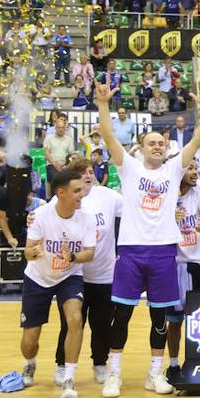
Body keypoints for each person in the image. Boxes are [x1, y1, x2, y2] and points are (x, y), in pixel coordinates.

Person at [94, 80, 200, 398]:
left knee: (159, 317)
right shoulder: (129, 168)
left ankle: (154, 373)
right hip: (131, 251)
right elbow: (107, 136)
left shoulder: (174, 170)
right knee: (123, 315)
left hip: (163, 253)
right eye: (152, 143)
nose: (157, 146)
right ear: (142, 147)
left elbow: (198, 141)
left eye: (161, 143)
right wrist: (103, 105)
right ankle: (114, 374)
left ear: (167, 148)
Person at [20, 168, 95, 398]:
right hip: (38, 277)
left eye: (82, 190)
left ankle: (69, 378)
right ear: (61, 193)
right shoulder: (41, 215)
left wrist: (72, 257)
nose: (81, 195)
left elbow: (89, 253)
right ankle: (30, 364)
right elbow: (27, 253)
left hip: (69, 276)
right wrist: (33, 252)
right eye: (76, 191)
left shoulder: (87, 218)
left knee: (75, 319)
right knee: (30, 341)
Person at [53, 158, 121, 386]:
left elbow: (136, 207)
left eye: (90, 171)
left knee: (101, 324)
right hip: (75, 273)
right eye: (81, 173)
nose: (87, 176)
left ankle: (100, 363)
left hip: (104, 273)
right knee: (71, 323)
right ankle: (62, 365)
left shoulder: (108, 196)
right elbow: (47, 214)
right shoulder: (67, 199)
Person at [164, 163, 200, 385]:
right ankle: (174, 365)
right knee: (174, 321)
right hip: (173, 265)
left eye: (196, 167)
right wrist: (167, 217)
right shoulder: (165, 191)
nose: (195, 172)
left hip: (197, 263)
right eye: (190, 168)